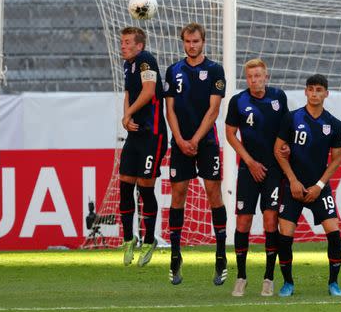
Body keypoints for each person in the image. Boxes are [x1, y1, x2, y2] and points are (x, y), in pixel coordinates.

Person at [164, 22, 227, 285]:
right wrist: (180, 140)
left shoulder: (214, 70)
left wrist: (195, 140)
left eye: (196, 41)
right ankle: (175, 256)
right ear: (183, 42)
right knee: (178, 194)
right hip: (180, 143)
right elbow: (170, 110)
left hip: (207, 142)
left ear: (204, 42)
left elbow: (214, 110)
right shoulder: (173, 71)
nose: (192, 45)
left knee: (213, 192)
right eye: (188, 41)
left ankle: (221, 256)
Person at [274, 74, 341, 297]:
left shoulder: (334, 124)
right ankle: (288, 283)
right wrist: (293, 181)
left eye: (319, 90)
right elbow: (279, 150)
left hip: (319, 187)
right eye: (311, 89)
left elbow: (336, 159)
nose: (314, 93)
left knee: (334, 231)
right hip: (293, 186)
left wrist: (319, 185)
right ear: (305, 91)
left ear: (326, 94)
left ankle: (334, 283)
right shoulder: (291, 118)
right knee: (285, 234)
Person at [225, 58, 289, 297]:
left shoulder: (278, 97)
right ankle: (241, 277)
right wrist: (249, 162)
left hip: (273, 170)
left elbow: (286, 129)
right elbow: (230, 134)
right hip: (248, 170)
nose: (254, 80)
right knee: (243, 222)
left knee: (271, 221)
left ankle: (268, 278)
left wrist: (286, 149)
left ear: (266, 76)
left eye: (258, 76)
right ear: (247, 79)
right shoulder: (238, 101)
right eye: (250, 77)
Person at [118, 27, 168, 268]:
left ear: (139, 45)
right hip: (135, 135)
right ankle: (129, 238)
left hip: (153, 134)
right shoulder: (128, 66)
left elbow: (149, 92)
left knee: (145, 188)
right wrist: (126, 117)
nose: (123, 45)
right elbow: (129, 92)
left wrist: (128, 113)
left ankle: (149, 240)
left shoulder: (146, 60)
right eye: (122, 41)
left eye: (127, 42)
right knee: (125, 184)